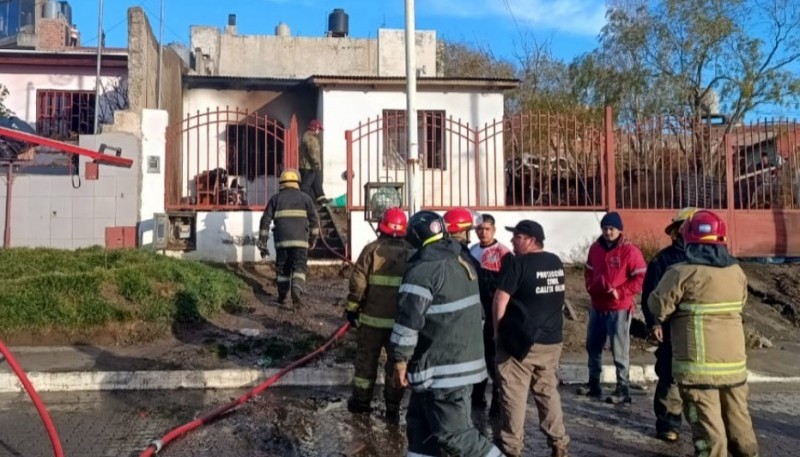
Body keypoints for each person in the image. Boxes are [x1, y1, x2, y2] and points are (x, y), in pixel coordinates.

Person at [389, 210, 504, 457]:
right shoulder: (462, 261)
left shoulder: (422, 272)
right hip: (451, 362)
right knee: (421, 431)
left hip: (443, 368)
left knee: (456, 436)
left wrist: (399, 361)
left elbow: (408, 324)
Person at [647, 210, 759, 457]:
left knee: (709, 432)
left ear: (688, 239)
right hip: (734, 366)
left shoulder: (680, 273)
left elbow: (657, 306)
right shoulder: (737, 272)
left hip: (697, 369)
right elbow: (739, 305)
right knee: (740, 425)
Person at [493, 220, 569, 457]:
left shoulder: (519, 264)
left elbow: (500, 300)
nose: (512, 241)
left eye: (516, 237)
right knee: (547, 392)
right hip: (551, 341)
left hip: (521, 342)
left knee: (513, 394)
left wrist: (497, 332)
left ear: (530, 240)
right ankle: (559, 442)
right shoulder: (555, 262)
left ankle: (512, 448)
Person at [345, 207, 411, 420]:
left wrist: (352, 308)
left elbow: (358, 283)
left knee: (366, 362)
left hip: (371, 321)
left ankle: (361, 404)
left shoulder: (371, 250)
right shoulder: (411, 253)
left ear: (381, 226)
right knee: (397, 365)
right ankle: (392, 408)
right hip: (400, 325)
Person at [641, 207, 698, 442]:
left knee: (698, 381)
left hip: (698, 330)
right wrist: (654, 323)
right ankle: (668, 423)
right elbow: (650, 296)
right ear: (678, 230)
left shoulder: (708, 258)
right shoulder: (662, 260)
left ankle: (701, 425)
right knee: (670, 377)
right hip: (671, 330)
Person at [577, 211, 646, 404]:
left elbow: (640, 276)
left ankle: (623, 388)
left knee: (619, 349)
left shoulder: (630, 251)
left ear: (619, 230)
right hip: (597, 305)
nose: (608, 232)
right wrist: (590, 287)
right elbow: (588, 271)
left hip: (619, 307)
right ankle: (593, 384)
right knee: (593, 346)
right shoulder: (595, 249)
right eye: (605, 228)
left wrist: (621, 291)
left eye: (612, 229)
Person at [469, 213, 512, 415]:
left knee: (494, 358)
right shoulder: (472, 251)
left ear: (494, 230)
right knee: (477, 356)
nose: (483, 233)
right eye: (479, 229)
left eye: (487, 229)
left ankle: (497, 398)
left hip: (494, 313)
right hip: (476, 314)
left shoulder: (503, 253)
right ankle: (477, 395)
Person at [257, 169, 319, 307]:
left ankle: (282, 296)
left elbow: (265, 220)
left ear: (282, 183)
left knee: (283, 269)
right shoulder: (305, 198)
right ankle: (296, 290)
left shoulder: (275, 198)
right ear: (297, 183)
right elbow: (314, 220)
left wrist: (262, 241)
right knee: (299, 267)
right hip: (301, 242)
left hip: (281, 242)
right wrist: (313, 238)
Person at [299, 119, 329, 205]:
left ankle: (321, 199)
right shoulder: (310, 138)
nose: (319, 131)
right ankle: (309, 202)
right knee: (305, 186)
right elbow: (312, 151)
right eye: (319, 129)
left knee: (317, 184)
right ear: (314, 128)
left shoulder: (310, 136)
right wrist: (316, 163)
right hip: (309, 167)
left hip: (311, 166)